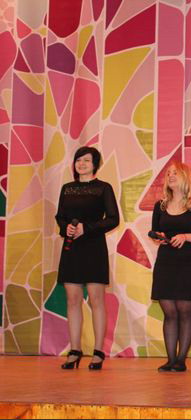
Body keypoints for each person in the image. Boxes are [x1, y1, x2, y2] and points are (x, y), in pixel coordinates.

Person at [55, 146, 120, 370]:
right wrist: (66, 228)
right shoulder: (67, 188)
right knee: (72, 300)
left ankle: (98, 351)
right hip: (71, 248)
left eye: (86, 160)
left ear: (95, 164)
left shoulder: (103, 188)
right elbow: (60, 216)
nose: (81, 164)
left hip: (94, 247)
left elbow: (113, 219)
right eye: (78, 160)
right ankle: (75, 350)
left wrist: (87, 228)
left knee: (96, 300)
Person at [151, 162, 191, 372]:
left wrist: (186, 236)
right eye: (168, 173)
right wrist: (159, 237)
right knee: (169, 311)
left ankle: (180, 360)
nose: (170, 175)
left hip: (189, 263)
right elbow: (155, 231)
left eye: (175, 173)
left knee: (185, 311)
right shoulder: (160, 206)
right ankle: (170, 360)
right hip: (165, 262)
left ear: (186, 176)